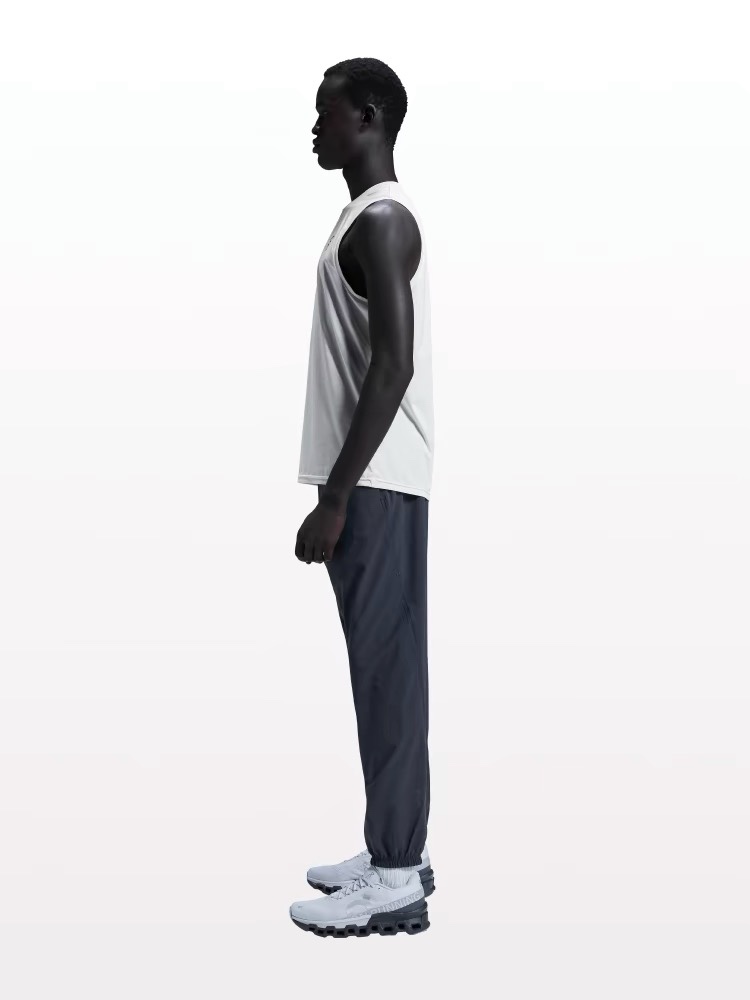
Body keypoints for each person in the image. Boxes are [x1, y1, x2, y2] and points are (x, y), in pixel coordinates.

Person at [291, 57, 435, 938]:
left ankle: (393, 872)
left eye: (328, 112)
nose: (315, 128)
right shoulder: (361, 218)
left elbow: (394, 366)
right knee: (382, 670)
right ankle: (395, 849)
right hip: (369, 482)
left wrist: (336, 497)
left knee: (387, 674)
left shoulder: (383, 220)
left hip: (375, 484)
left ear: (370, 116)